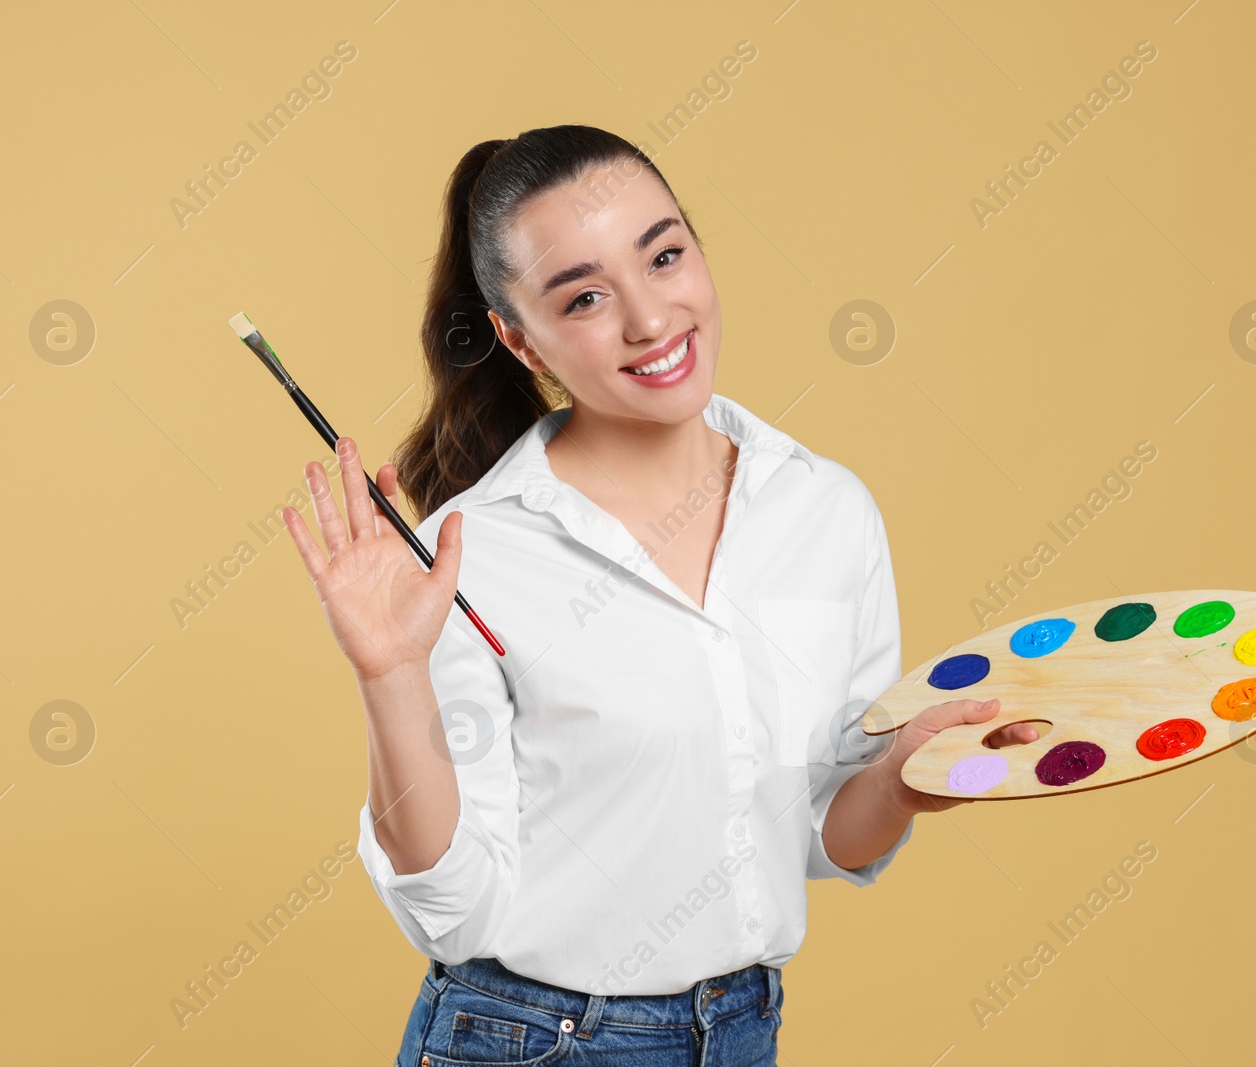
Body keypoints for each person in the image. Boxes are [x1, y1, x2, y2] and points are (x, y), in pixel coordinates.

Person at [280, 124, 1033, 1066]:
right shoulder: (464, 560)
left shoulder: (826, 509)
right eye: (586, 296)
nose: (650, 319)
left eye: (665, 255)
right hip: (533, 1042)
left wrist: (899, 780)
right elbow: (456, 907)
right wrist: (390, 674)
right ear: (518, 338)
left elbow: (816, 834)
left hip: (742, 1032)